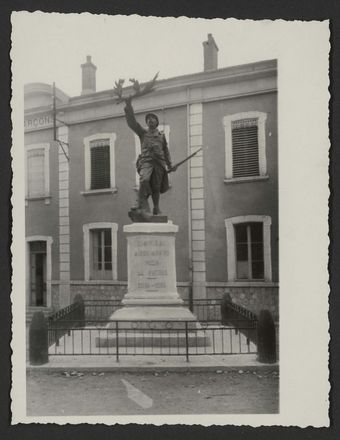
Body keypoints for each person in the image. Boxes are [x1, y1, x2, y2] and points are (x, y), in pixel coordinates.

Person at [124, 97, 177, 216]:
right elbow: (132, 122)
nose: (150, 120)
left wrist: (170, 165)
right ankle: (139, 203)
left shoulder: (161, 136)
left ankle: (156, 208)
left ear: (156, 122)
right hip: (146, 162)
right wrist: (128, 106)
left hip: (159, 163)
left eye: (152, 118)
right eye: (148, 119)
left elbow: (166, 151)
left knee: (156, 187)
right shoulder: (142, 133)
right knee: (144, 180)